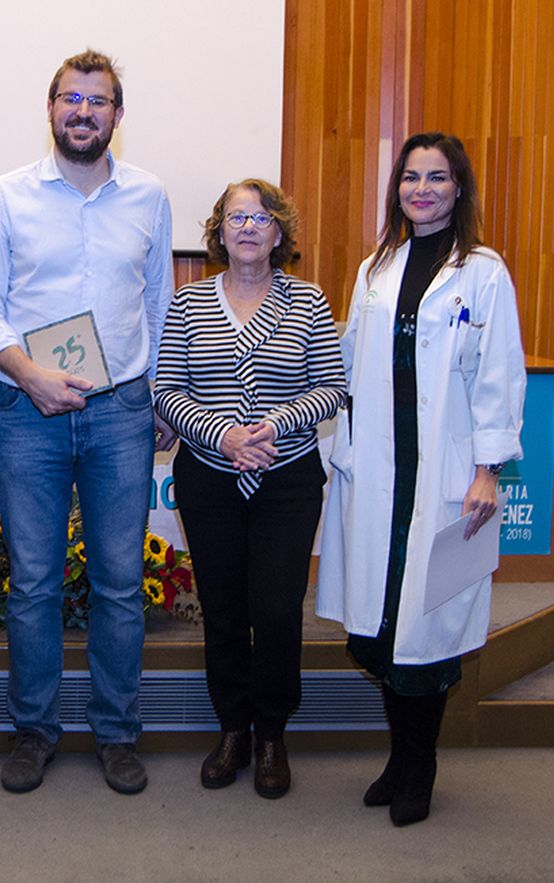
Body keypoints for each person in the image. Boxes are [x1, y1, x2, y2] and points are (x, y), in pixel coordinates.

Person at [0, 49, 176, 795]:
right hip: (29, 413)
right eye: (70, 99)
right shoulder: (6, 196)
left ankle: (116, 732)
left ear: (118, 113)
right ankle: (34, 731)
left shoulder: (148, 197)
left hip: (119, 411)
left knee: (119, 583)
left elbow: (156, 305)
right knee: (35, 584)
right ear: (49, 108)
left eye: (99, 101)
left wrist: (154, 395)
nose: (84, 112)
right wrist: (29, 374)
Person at [316, 131, 525, 826]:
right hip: (379, 469)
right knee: (381, 628)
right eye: (411, 177)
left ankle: (420, 765)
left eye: (437, 177)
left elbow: (498, 374)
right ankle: (398, 758)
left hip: (444, 473)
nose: (423, 189)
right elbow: (348, 363)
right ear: (397, 188)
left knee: (425, 632)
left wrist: (487, 470)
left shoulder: (484, 271)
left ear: (459, 187)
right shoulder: (378, 266)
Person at [153, 179, 346, 799]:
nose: (247, 227)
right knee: (226, 610)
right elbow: (167, 390)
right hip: (209, 478)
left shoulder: (309, 302)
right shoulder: (187, 304)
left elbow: (332, 386)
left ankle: (272, 735)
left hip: (287, 480)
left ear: (278, 232)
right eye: (236, 216)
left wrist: (272, 426)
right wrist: (223, 436)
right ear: (220, 230)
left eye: (261, 217)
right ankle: (233, 729)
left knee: (277, 609)